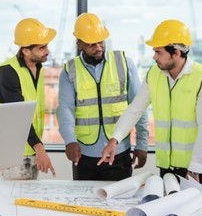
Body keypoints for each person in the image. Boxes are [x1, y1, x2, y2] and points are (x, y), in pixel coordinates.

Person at [100, 19, 202, 190]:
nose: (154, 56)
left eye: (158, 52)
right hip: (167, 168)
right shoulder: (155, 74)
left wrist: (195, 169)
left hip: (197, 169)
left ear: (177, 53)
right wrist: (115, 139)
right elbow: (135, 109)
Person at [57, 12, 149, 181]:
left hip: (119, 153)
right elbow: (65, 109)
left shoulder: (124, 63)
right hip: (83, 156)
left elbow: (139, 106)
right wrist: (69, 140)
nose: (98, 47)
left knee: (119, 204)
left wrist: (142, 144)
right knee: (83, 204)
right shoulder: (70, 70)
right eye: (92, 44)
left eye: (101, 41)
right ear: (79, 44)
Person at [0, 18, 57, 179]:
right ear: (25, 50)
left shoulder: (38, 68)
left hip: (30, 148)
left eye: (47, 46)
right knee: (13, 201)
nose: (47, 51)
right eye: (42, 48)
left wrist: (36, 148)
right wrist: (39, 147)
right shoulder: (8, 72)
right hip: (13, 152)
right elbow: (18, 114)